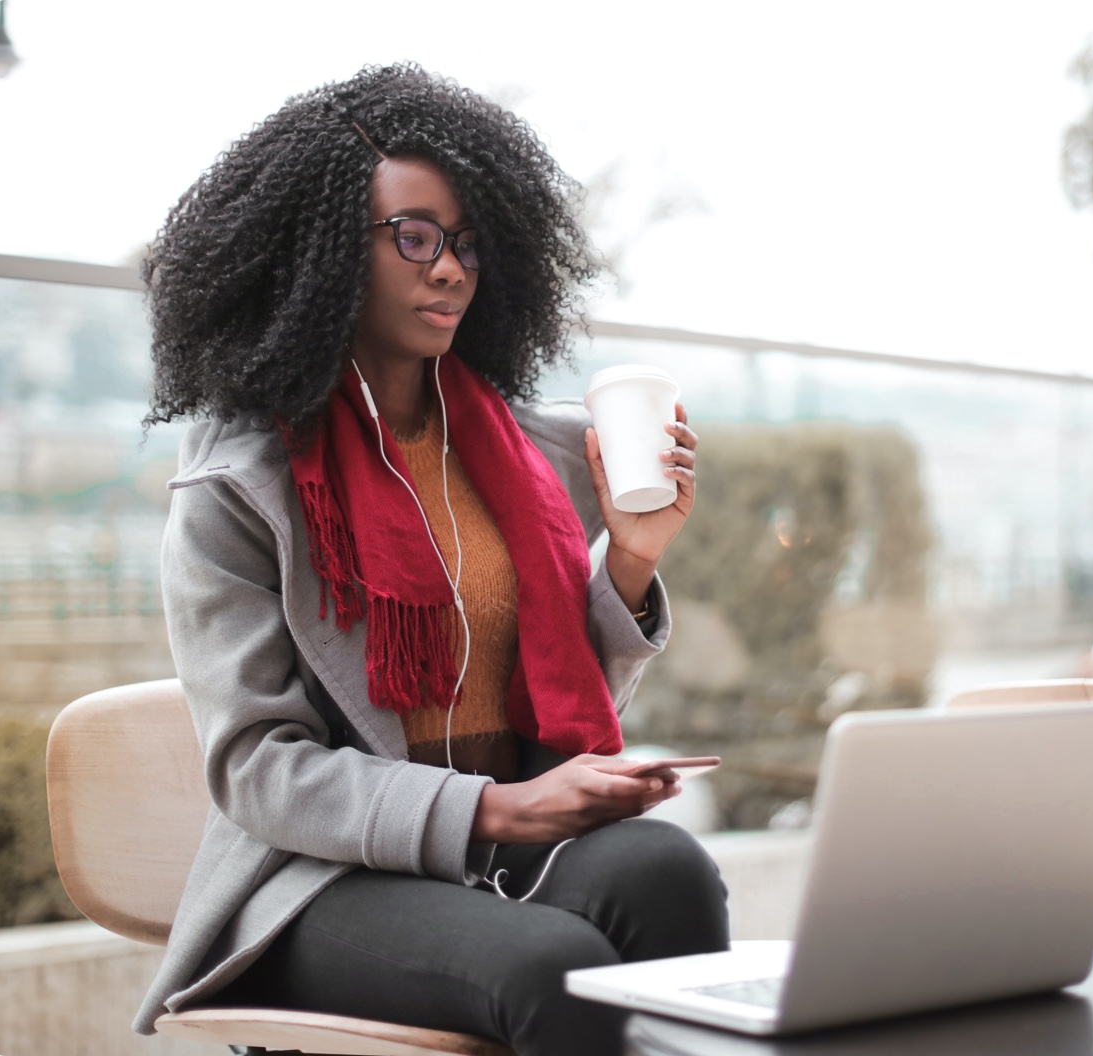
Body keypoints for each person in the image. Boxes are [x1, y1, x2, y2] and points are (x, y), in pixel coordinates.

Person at [132, 63, 729, 1056]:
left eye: (466, 243)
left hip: (496, 847)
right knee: (547, 967)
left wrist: (628, 560)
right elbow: (259, 773)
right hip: (319, 882)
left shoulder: (532, 452)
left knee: (665, 871)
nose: (449, 268)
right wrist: (494, 809)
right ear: (318, 251)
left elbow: (560, 691)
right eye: (413, 236)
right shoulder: (239, 487)